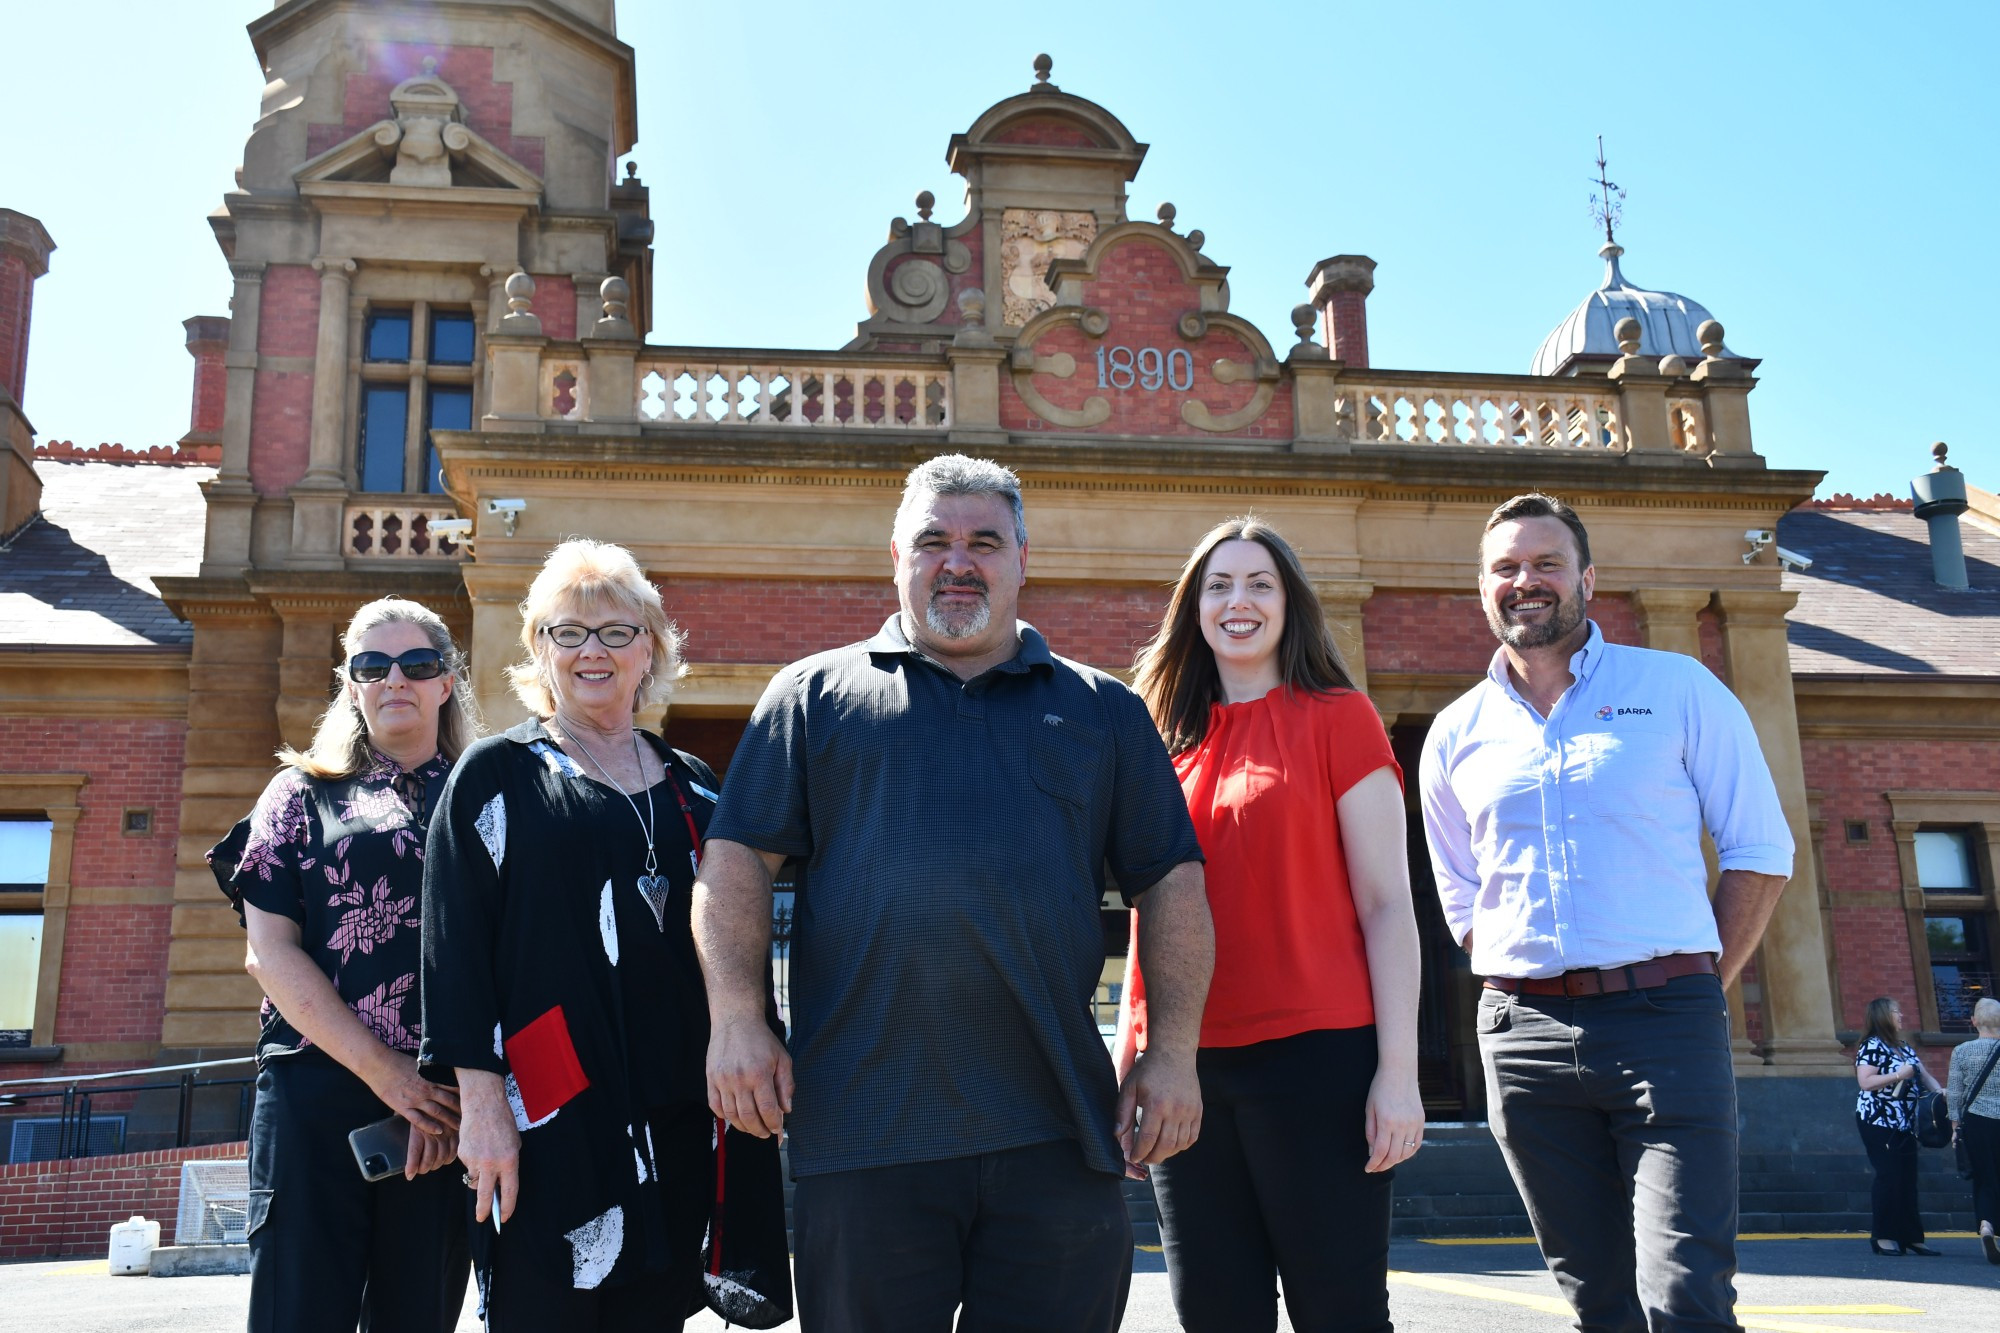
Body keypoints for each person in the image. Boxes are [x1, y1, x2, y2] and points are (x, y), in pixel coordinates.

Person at [693, 453, 1214, 1333]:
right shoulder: (814, 695)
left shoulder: (1103, 710)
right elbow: (737, 861)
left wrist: (1173, 1054)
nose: (957, 559)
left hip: (1057, 1128)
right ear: (896, 555)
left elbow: (1172, 881)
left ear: (1022, 559)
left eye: (984, 540)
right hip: (863, 1129)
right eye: (933, 540)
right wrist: (738, 1020)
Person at [1418, 492, 1794, 1333]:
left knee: (1685, 1291)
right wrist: (1521, 984)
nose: (1527, 582)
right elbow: (1461, 889)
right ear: (1483, 588)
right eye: (1506, 568)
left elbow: (1761, 852)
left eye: (1547, 563)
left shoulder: (1676, 688)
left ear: (1588, 577)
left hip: (1667, 1023)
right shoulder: (1454, 732)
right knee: (1597, 1297)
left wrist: (1695, 983)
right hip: (1525, 1039)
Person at [420, 540, 790, 1331]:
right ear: (538, 648)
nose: (593, 650)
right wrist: (481, 1105)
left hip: (680, 1115)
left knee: (657, 1313)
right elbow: (453, 951)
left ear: (649, 646)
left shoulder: (696, 783)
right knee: (545, 1307)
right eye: (568, 631)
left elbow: (738, 929)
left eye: (616, 631)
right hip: (550, 1116)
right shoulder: (496, 775)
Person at [1115, 517, 1423, 1333]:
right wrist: (1130, 1061)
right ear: (1195, 609)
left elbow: (1389, 903)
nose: (1238, 600)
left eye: (1260, 583)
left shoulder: (1339, 716)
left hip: (1319, 1060)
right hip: (1188, 1069)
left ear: (1290, 605)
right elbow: (1149, 917)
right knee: (1214, 1314)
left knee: (1341, 1312)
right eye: (1218, 585)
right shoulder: (1160, 743)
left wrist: (1399, 1073)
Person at [208, 596, 476, 1333]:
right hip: (315, 1090)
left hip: (444, 1110)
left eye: (417, 664)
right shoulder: (299, 792)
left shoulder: (489, 795)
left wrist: (462, 1095)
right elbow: (269, 952)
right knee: (299, 1313)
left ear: (447, 681)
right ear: (350, 682)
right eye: (372, 664)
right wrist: (387, 1073)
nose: (396, 679)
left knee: (417, 1314)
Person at [1854, 996, 1944, 1256]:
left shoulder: (1904, 1047)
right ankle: (1883, 1236)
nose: (1901, 1015)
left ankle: (1911, 1237)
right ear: (1882, 1015)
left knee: (1907, 1178)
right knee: (1889, 1175)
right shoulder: (1871, 1046)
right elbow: (1865, 1082)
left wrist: (1940, 1093)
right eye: (1896, 1011)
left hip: (1905, 1123)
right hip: (1878, 1120)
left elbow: (1925, 1077)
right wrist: (1897, 1075)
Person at [1947, 996, 2000, 1263]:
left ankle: (1987, 1225)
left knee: (1985, 1177)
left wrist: (1956, 1128)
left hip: (1976, 1122)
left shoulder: (1962, 1051)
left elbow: (1954, 1093)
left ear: (1974, 1021)